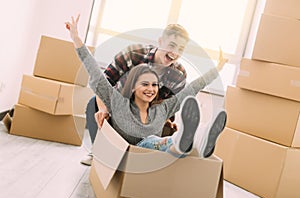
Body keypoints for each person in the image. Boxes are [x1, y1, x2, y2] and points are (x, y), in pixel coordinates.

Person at [66, 15, 228, 158]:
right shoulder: (117, 101)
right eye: (145, 84)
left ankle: (201, 137)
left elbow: (193, 88)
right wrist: (76, 39)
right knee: (154, 142)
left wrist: (217, 69)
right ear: (133, 85)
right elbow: (94, 70)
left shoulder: (163, 107)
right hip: (132, 148)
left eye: (155, 85)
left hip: (154, 149)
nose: (151, 89)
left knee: (167, 143)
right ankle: (96, 152)